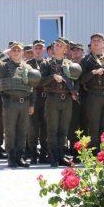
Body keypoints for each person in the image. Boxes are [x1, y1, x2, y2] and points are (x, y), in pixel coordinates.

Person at [0, 42, 37, 168]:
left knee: (22, 131)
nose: (16, 52)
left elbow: (33, 87)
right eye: (13, 50)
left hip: (24, 103)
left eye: (18, 50)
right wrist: (3, 53)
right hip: (10, 103)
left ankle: (19, 157)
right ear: (10, 52)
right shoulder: (4, 66)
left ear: (22, 53)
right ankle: (11, 157)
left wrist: (32, 104)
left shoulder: (28, 68)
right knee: (10, 132)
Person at [40, 37, 80, 167]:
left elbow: (76, 80)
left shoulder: (70, 64)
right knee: (52, 129)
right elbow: (40, 81)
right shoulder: (47, 63)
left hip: (67, 99)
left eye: (60, 46)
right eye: (56, 45)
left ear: (65, 49)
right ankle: (53, 156)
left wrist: (75, 92)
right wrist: (52, 77)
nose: (57, 47)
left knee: (64, 129)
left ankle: (62, 155)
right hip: (52, 98)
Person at [80, 33, 104, 149]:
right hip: (94, 95)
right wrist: (93, 72)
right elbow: (81, 79)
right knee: (93, 125)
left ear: (103, 43)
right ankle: (94, 152)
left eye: (99, 40)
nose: (96, 42)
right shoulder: (86, 60)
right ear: (91, 44)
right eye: (94, 40)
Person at [26, 39, 48, 164]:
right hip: (33, 99)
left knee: (45, 127)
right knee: (33, 128)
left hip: (46, 99)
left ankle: (44, 154)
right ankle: (33, 154)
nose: (38, 50)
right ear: (33, 50)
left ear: (43, 49)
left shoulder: (48, 64)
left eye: (40, 48)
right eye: (36, 48)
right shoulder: (28, 64)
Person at [68, 42, 86, 159]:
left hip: (86, 97)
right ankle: (74, 151)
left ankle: (83, 151)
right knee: (73, 125)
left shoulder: (87, 64)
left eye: (78, 50)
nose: (76, 52)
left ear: (82, 52)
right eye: (74, 50)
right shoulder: (68, 64)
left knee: (85, 124)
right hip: (71, 98)